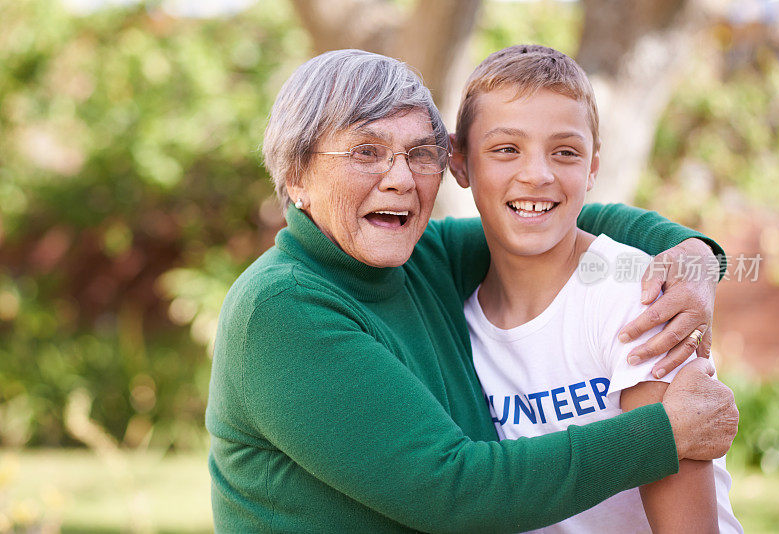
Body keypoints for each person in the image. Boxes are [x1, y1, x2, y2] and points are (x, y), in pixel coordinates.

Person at [205, 49, 738, 533]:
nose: (400, 178)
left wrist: (691, 254)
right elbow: (453, 491)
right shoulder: (282, 308)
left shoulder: (422, 258)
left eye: (418, 153)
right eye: (366, 151)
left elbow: (552, 219)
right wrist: (663, 435)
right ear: (296, 175)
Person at [451, 44, 742, 533]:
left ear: (592, 168)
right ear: (460, 163)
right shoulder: (458, 316)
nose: (537, 174)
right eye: (506, 149)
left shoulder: (635, 296)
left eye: (565, 152)